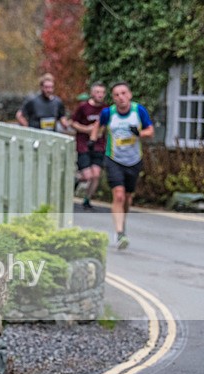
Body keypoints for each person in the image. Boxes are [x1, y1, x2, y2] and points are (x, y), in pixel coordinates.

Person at [90, 81, 154, 250]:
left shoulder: (138, 111)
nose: (121, 97)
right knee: (118, 195)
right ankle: (119, 233)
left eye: (124, 93)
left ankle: (122, 222)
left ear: (130, 95)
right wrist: (92, 140)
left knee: (127, 198)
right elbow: (98, 125)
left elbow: (150, 131)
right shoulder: (108, 113)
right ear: (113, 98)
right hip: (114, 159)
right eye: (117, 95)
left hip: (133, 160)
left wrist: (139, 133)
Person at [71, 82, 107, 210]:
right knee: (88, 175)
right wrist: (86, 129)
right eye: (97, 92)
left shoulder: (106, 109)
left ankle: (87, 199)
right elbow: (73, 123)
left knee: (96, 174)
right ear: (92, 93)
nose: (100, 95)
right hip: (84, 145)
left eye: (102, 93)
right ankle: (76, 179)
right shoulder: (83, 107)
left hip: (99, 145)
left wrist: (99, 130)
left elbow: (106, 125)